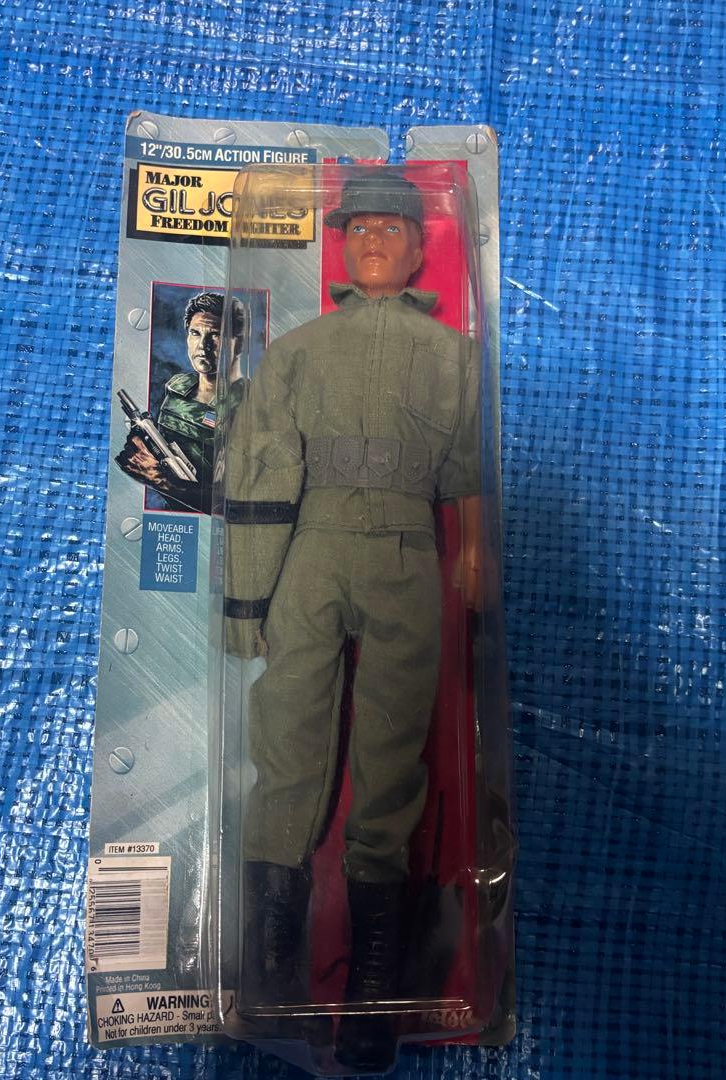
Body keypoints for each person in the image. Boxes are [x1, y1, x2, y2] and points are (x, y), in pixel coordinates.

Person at [223, 172, 482, 1070]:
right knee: (289, 725)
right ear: (341, 243)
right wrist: (248, 597)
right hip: (316, 544)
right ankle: (270, 973)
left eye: (391, 229)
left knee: (394, 746)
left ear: (418, 248)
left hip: (408, 549)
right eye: (359, 228)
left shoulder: (452, 356)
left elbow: (469, 465)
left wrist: (476, 554)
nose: (374, 241)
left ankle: (376, 987)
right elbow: (259, 471)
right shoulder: (299, 352)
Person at [117, 291, 244, 514]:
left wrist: (161, 480)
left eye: (216, 335)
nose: (203, 345)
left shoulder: (251, 406)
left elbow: (238, 504)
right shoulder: (177, 387)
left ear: (239, 343)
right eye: (195, 333)